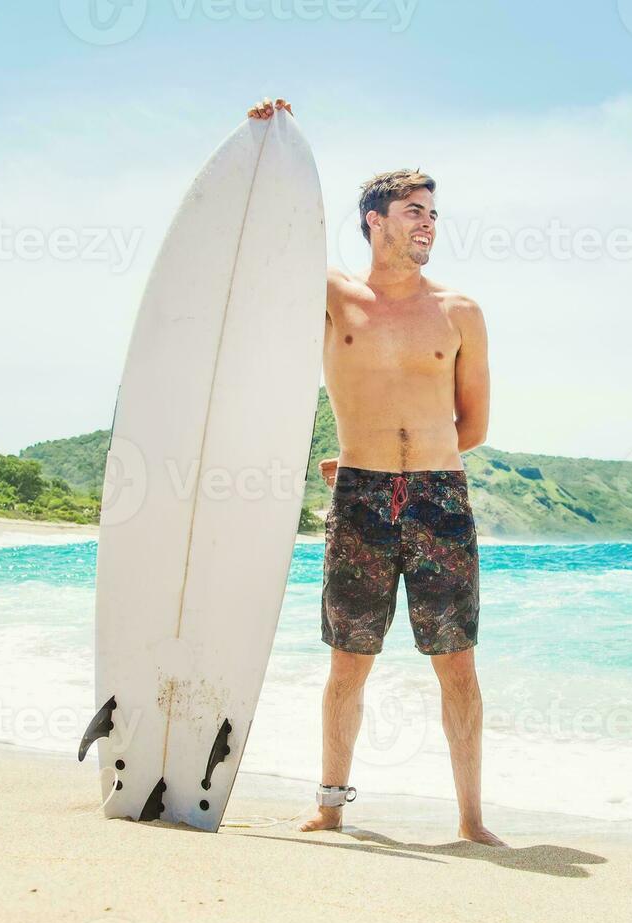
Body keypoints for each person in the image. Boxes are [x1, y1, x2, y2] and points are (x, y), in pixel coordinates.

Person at [247, 98, 501, 846]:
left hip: (438, 498)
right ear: (374, 220)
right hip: (357, 497)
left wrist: (412, 458)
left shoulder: (460, 311)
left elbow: (474, 425)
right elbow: (264, 244)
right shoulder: (331, 295)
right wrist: (270, 140)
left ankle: (471, 820)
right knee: (348, 660)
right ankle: (330, 804)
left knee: (456, 664)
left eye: (433, 213)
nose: (427, 223)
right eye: (413, 211)